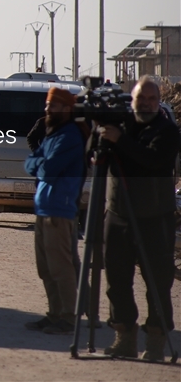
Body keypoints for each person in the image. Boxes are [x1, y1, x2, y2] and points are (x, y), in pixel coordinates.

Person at [96, 77, 179, 361]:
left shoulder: (166, 130)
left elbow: (153, 160)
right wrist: (101, 136)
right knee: (116, 280)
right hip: (118, 214)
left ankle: (155, 341)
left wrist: (120, 140)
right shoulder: (121, 126)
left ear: (158, 102)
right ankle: (124, 337)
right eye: (140, 99)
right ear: (132, 100)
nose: (145, 104)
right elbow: (95, 157)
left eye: (151, 99)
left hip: (155, 217)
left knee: (158, 282)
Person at [22, 87, 86, 335]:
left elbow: (47, 170)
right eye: (48, 105)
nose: (48, 109)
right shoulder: (53, 134)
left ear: (67, 109)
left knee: (61, 268)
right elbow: (30, 163)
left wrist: (40, 165)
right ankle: (54, 314)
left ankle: (68, 318)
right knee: (46, 268)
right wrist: (41, 164)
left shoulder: (70, 136)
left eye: (54, 106)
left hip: (59, 211)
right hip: (44, 209)